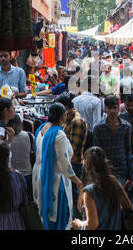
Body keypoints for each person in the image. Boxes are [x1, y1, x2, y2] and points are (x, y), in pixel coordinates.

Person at [33, 103, 82, 230]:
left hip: (40, 174)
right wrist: (78, 182)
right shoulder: (58, 134)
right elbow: (64, 164)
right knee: (55, 216)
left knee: (43, 216)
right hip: (54, 179)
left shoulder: (42, 128)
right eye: (65, 113)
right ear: (62, 116)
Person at [71, 146, 131, 230]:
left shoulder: (89, 191)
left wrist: (78, 224)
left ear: (86, 166)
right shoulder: (115, 183)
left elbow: (92, 225)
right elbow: (128, 207)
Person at [53, 92, 88, 220]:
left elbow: (71, 150)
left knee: (75, 201)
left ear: (66, 108)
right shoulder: (68, 120)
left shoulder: (76, 122)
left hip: (75, 166)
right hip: (68, 165)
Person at [92, 95, 132, 187]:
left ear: (119, 108)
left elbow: (128, 150)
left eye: (114, 107)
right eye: (109, 108)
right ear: (105, 109)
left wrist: (129, 171)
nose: (112, 111)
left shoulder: (126, 126)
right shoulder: (98, 127)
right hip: (104, 169)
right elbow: (96, 151)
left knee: (118, 197)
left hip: (121, 168)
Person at [10, 114, 34, 202]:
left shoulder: (4, 137)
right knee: (26, 202)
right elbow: (34, 152)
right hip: (27, 173)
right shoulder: (29, 135)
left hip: (11, 174)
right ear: (20, 123)